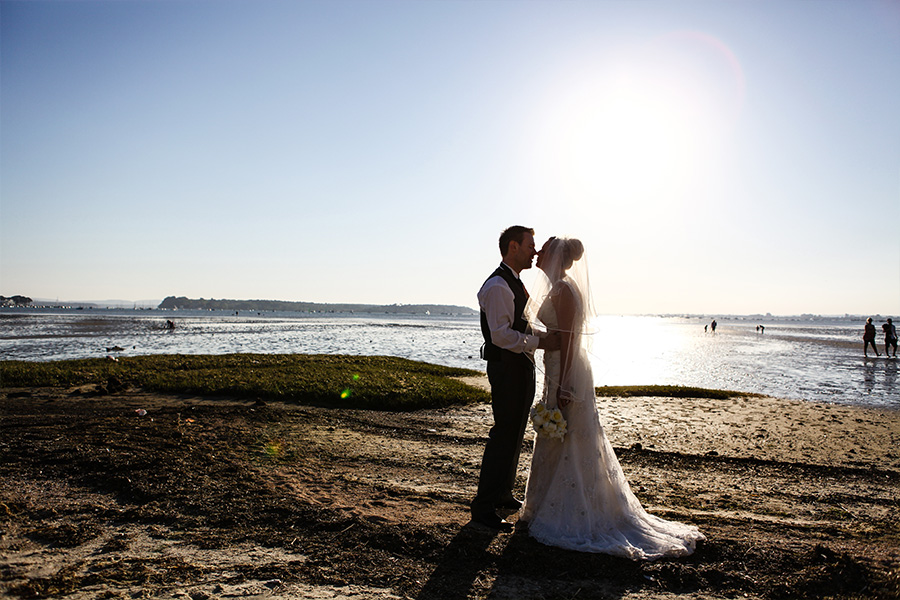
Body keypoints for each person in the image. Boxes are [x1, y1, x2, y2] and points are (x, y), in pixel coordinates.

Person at [520, 236, 705, 559]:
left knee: (570, 437)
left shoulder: (563, 291)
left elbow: (570, 340)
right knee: (564, 437)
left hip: (566, 373)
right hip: (557, 369)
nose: (537, 253)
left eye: (543, 249)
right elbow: (553, 336)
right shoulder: (558, 289)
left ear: (555, 257)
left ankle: (572, 511)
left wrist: (564, 385)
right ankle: (544, 504)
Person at [472, 226, 559, 532]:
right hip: (506, 368)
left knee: (515, 432)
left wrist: (544, 337)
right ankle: (482, 508)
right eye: (530, 245)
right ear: (513, 247)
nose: (534, 251)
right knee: (503, 435)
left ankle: (503, 494)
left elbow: (520, 326)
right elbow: (500, 336)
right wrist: (540, 343)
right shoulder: (498, 285)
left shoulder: (515, 282)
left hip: (519, 366)